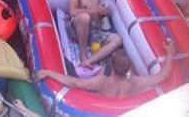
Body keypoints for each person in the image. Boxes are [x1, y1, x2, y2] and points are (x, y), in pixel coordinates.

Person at [36, 39, 175, 97]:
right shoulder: (137, 82)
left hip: (100, 106)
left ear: (112, 68)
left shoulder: (102, 81)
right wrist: (170, 53)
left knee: (69, 67)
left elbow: (74, 83)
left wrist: (48, 72)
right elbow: (163, 75)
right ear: (129, 68)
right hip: (121, 106)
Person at [65, 0, 123, 67]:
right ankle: (82, 55)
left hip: (94, 30)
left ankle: (90, 61)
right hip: (77, 29)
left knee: (118, 40)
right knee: (84, 17)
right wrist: (96, 10)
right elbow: (72, 12)